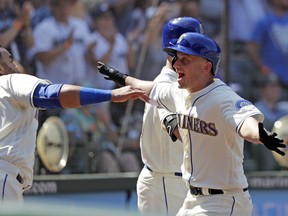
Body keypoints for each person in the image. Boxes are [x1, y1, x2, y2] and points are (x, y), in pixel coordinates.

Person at [97, 32, 286, 215]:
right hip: (193, 199)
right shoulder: (180, 92)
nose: (176, 64)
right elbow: (149, 89)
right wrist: (120, 78)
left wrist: (261, 135)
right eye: (176, 58)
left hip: (224, 202)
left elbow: (245, 122)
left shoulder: (223, 98)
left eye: (185, 60)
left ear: (206, 66)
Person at [0, 46, 146, 202]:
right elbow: (51, 95)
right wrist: (111, 94)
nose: (14, 62)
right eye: (9, 59)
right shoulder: (9, 81)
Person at [136, 17, 204, 216]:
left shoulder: (183, 83)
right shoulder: (166, 86)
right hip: (165, 182)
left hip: (176, 181)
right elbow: (180, 131)